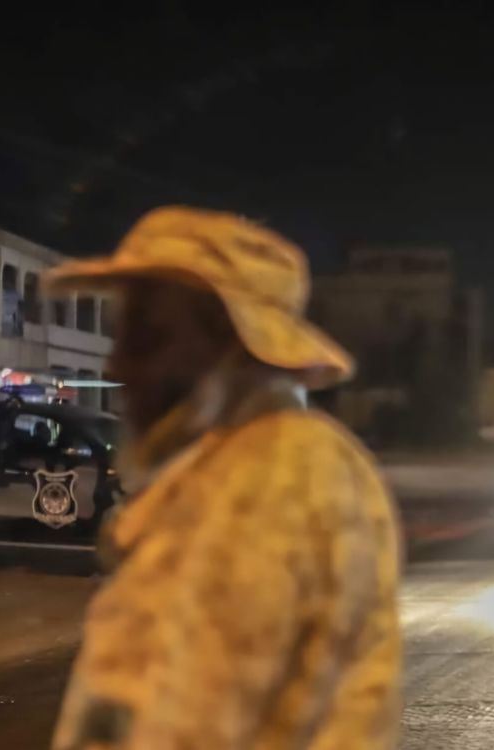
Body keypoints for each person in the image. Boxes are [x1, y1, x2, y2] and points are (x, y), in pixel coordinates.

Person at [45, 207, 402, 750]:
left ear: (229, 343)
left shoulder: (272, 474)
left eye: (147, 337)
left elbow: (189, 727)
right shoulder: (254, 462)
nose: (117, 364)